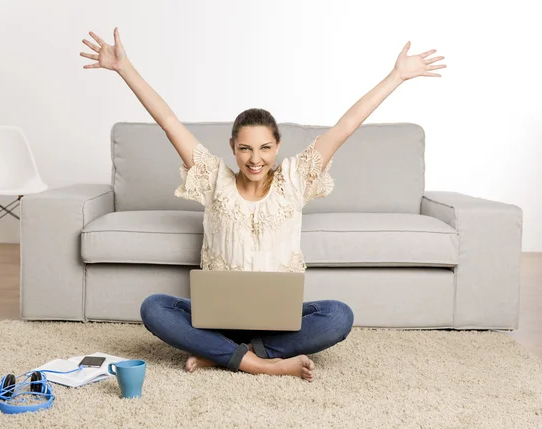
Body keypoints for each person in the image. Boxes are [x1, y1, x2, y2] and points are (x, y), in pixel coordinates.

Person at [80, 28, 446, 382]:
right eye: (245, 148)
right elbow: (168, 120)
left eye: (265, 148)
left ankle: (222, 354)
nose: (255, 159)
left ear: (277, 147)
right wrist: (124, 68)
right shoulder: (212, 179)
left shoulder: (295, 179)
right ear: (232, 147)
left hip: (278, 319)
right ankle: (262, 362)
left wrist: (396, 76)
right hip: (217, 317)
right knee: (154, 308)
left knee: (338, 317)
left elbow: (346, 126)